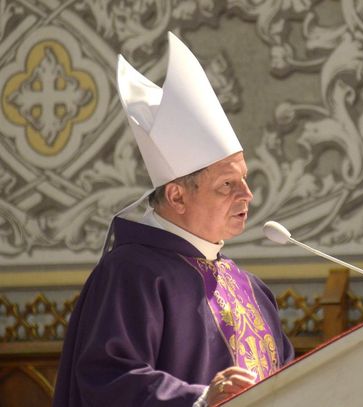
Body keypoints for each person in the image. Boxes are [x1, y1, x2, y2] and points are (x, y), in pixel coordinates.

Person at [52, 32, 294, 407]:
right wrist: (201, 400)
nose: (247, 194)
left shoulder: (251, 288)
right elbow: (107, 381)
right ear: (177, 196)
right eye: (227, 184)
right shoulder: (131, 273)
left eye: (245, 179)